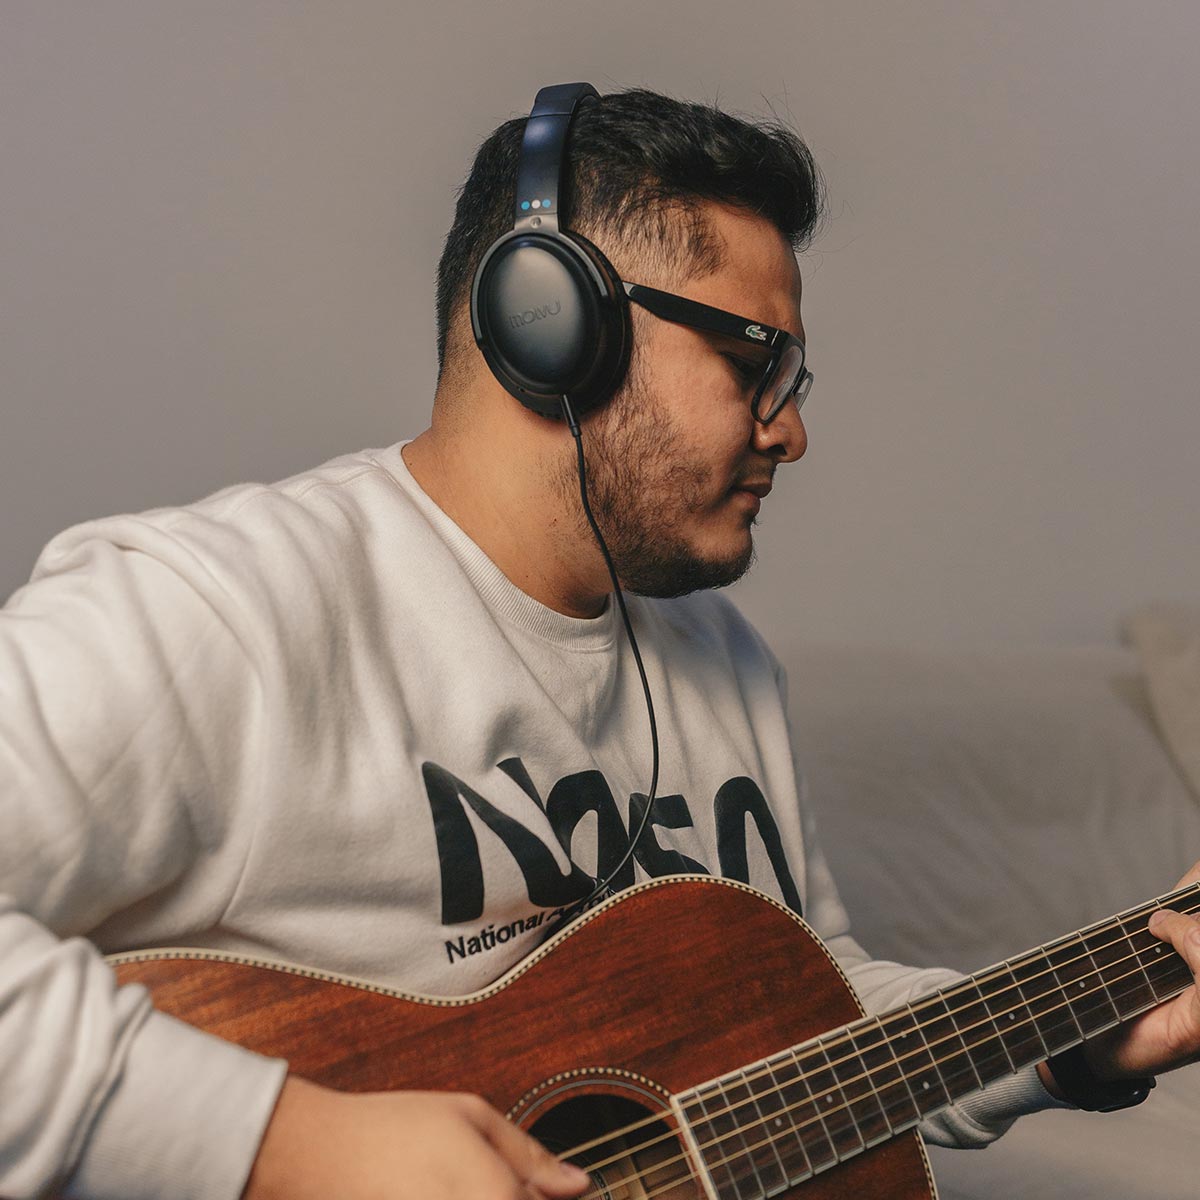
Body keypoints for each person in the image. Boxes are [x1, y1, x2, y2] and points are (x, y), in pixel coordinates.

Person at [2, 84, 1199, 1200]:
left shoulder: (722, 657)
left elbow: (807, 1020)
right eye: (755, 361)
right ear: (554, 327)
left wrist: (1077, 1034)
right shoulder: (218, 611)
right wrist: (294, 1142)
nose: (791, 433)